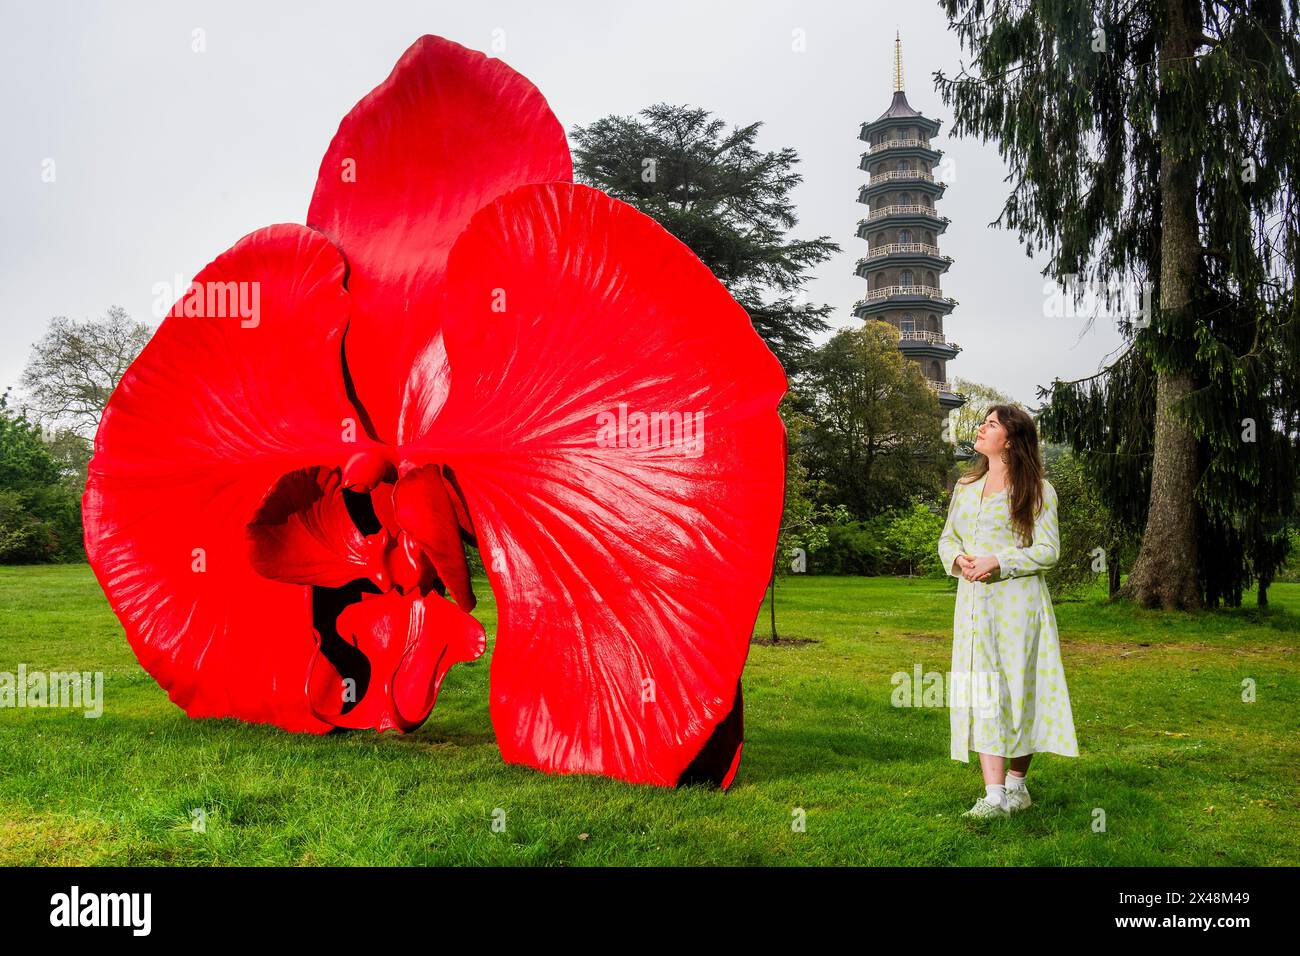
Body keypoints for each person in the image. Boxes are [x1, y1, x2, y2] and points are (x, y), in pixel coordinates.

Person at [937, 404, 1079, 820]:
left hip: (1019, 606)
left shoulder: (1037, 490)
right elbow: (948, 539)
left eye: (991, 424)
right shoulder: (966, 486)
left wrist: (999, 561)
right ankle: (994, 795)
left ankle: (1017, 785)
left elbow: (1048, 550)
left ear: (1011, 440)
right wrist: (959, 559)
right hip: (974, 605)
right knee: (984, 691)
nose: (981, 428)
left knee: (1019, 691)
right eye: (984, 422)